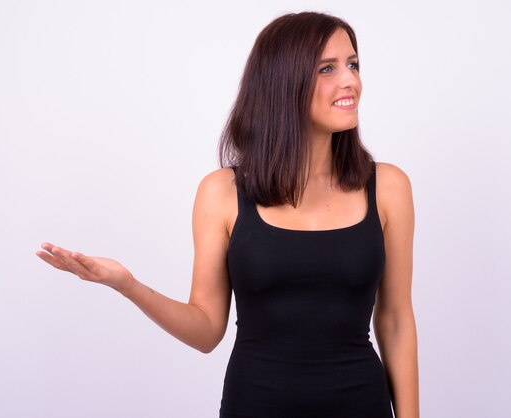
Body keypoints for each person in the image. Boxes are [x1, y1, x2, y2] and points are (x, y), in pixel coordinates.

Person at [36, 11, 419, 418]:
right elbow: (205, 331)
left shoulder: (388, 187)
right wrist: (128, 285)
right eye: (328, 68)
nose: (351, 81)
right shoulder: (221, 193)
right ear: (283, 83)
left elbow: (395, 321)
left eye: (353, 64)